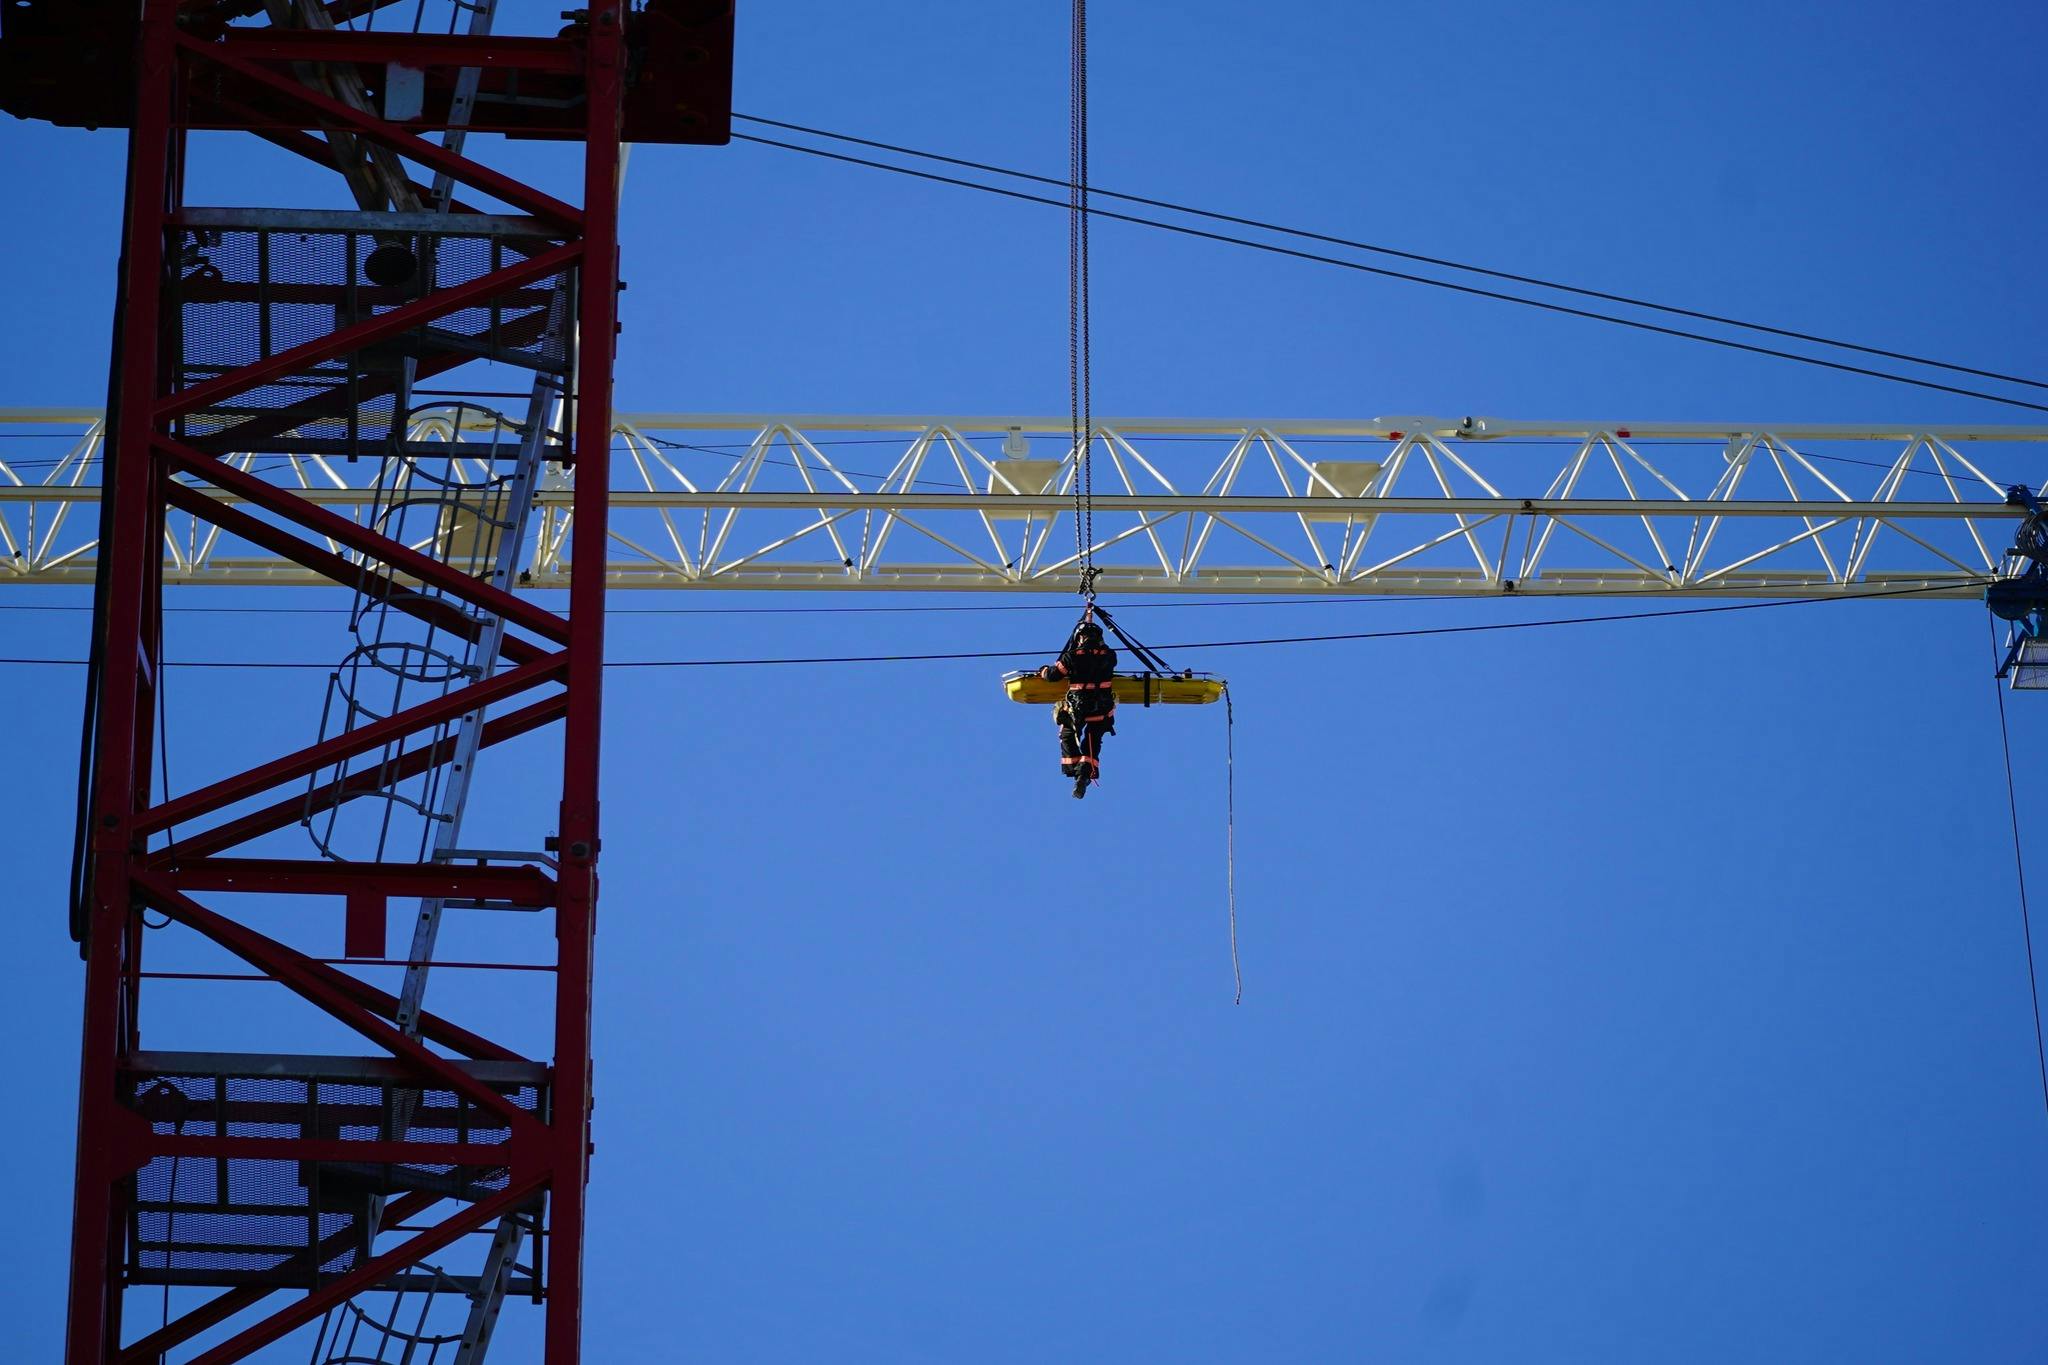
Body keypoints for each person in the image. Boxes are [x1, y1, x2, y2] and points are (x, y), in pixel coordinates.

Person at [1038, 618, 1118, 798]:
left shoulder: (1072, 656)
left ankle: (1076, 770)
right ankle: (1084, 774)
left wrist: (1043, 670)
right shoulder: (1110, 656)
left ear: (1079, 638)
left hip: (1078, 707)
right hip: (1102, 709)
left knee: (1067, 735)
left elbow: (1053, 675)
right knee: (1093, 741)